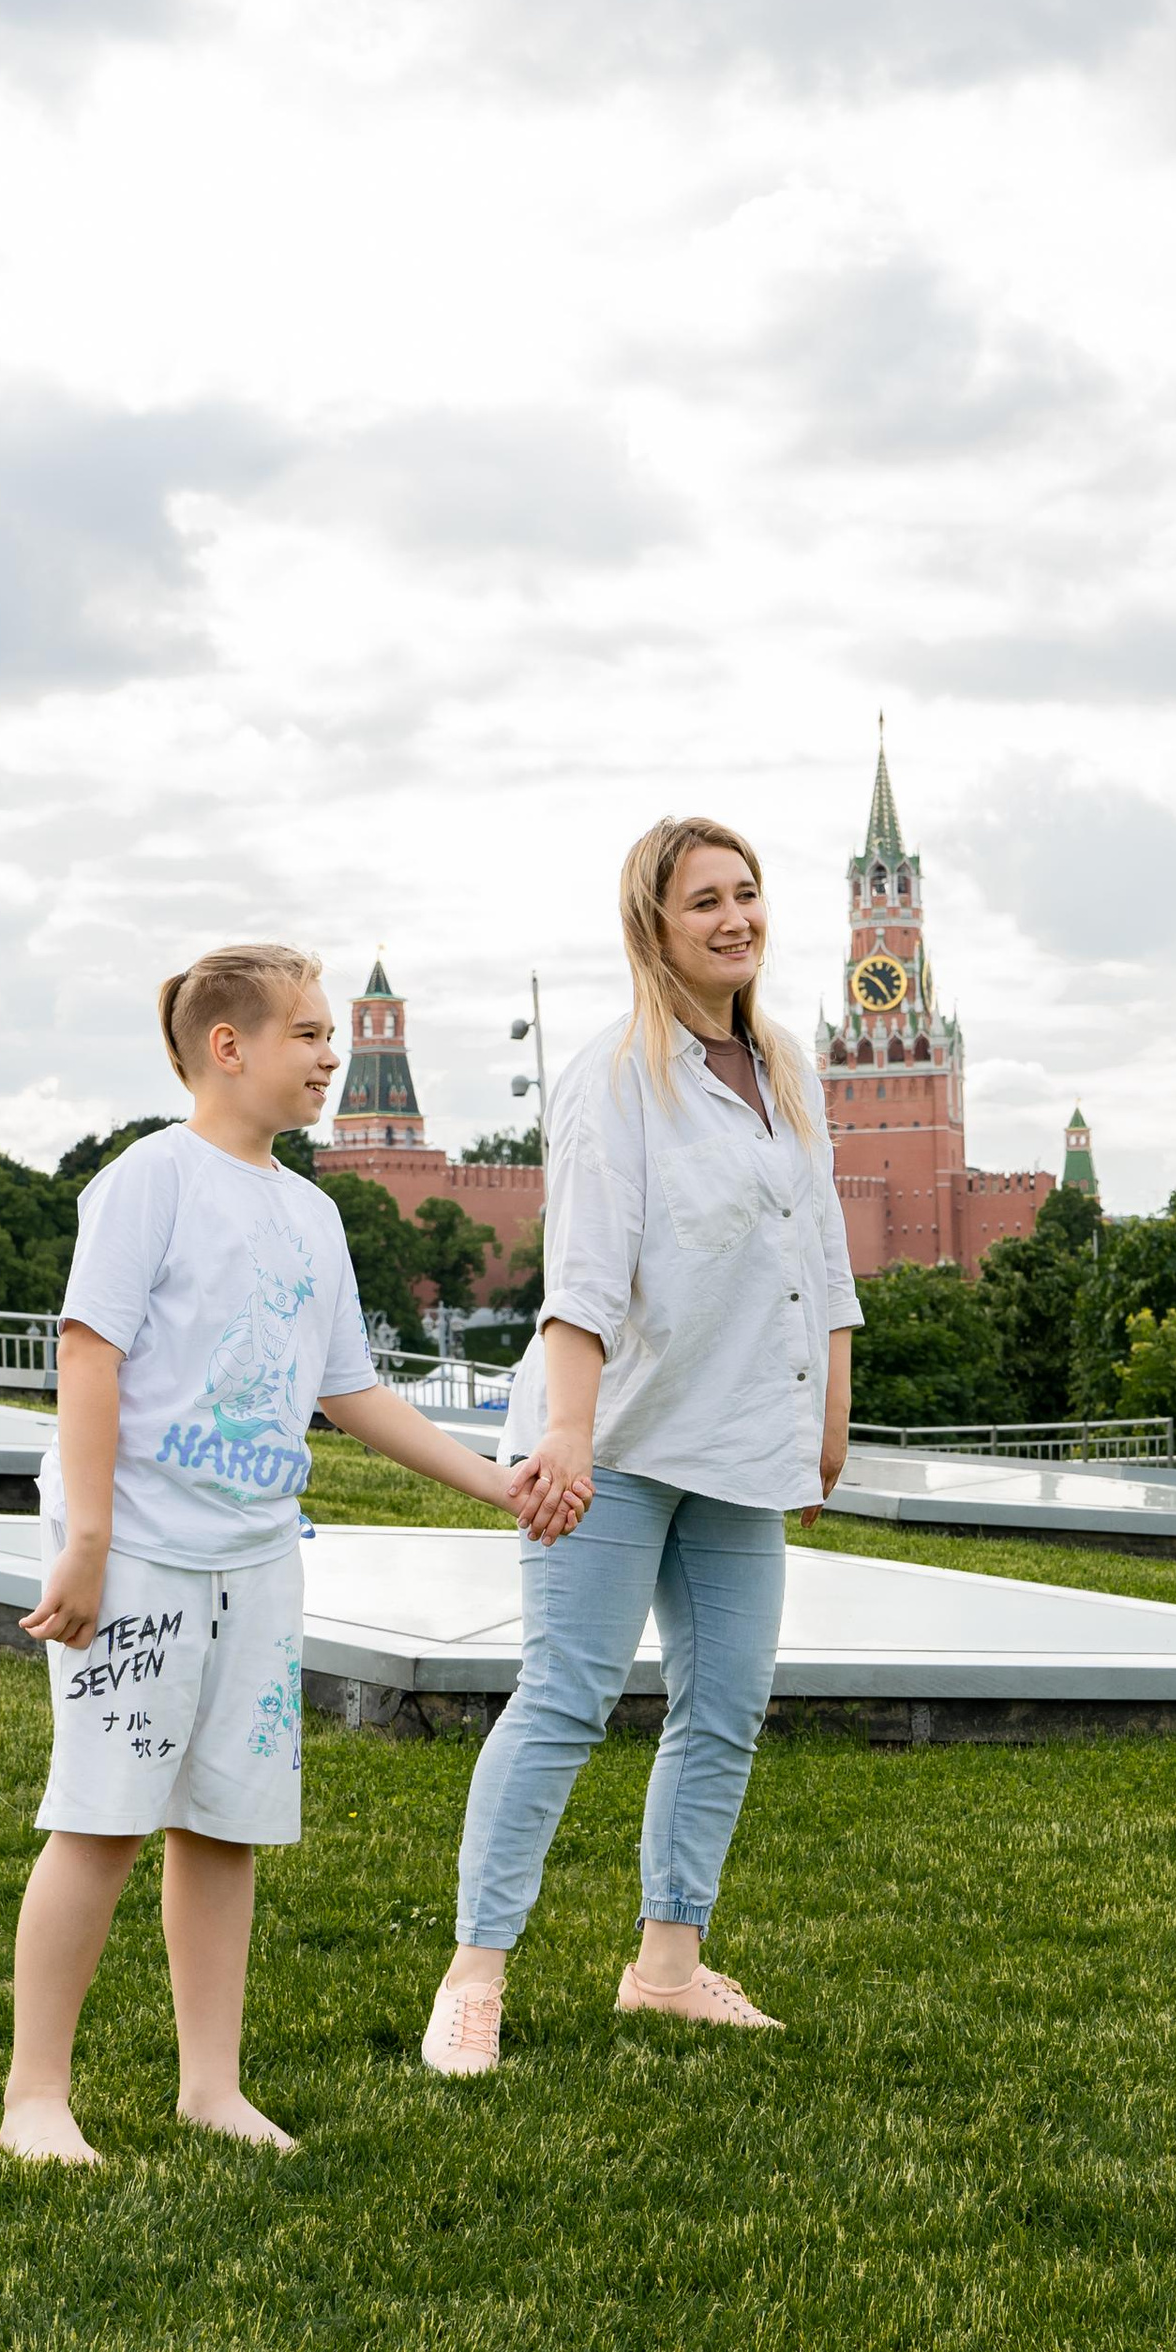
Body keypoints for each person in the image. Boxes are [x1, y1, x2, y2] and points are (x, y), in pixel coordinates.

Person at [2, 943, 580, 2168]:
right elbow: (88, 1355)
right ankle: (34, 2097)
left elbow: (348, 1389)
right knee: (102, 1821)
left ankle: (211, 2086)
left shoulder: (312, 1212)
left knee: (225, 1826)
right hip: (138, 1555)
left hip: (257, 1557)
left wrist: (494, 1480)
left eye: (331, 1035)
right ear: (230, 1047)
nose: (332, 1057)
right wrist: (90, 1542)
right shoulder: (147, 1181)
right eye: (310, 1036)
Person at [419, 816, 861, 2073]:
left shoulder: (787, 1070)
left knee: (725, 1705)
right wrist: (566, 1437)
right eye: (703, 902)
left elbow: (819, 1258)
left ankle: (667, 1969)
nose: (735, 918)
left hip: (736, 1440)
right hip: (609, 1441)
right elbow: (585, 1272)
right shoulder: (615, 1075)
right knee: (564, 1698)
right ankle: (475, 1976)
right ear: (654, 928)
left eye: (748, 893)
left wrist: (824, 1417)